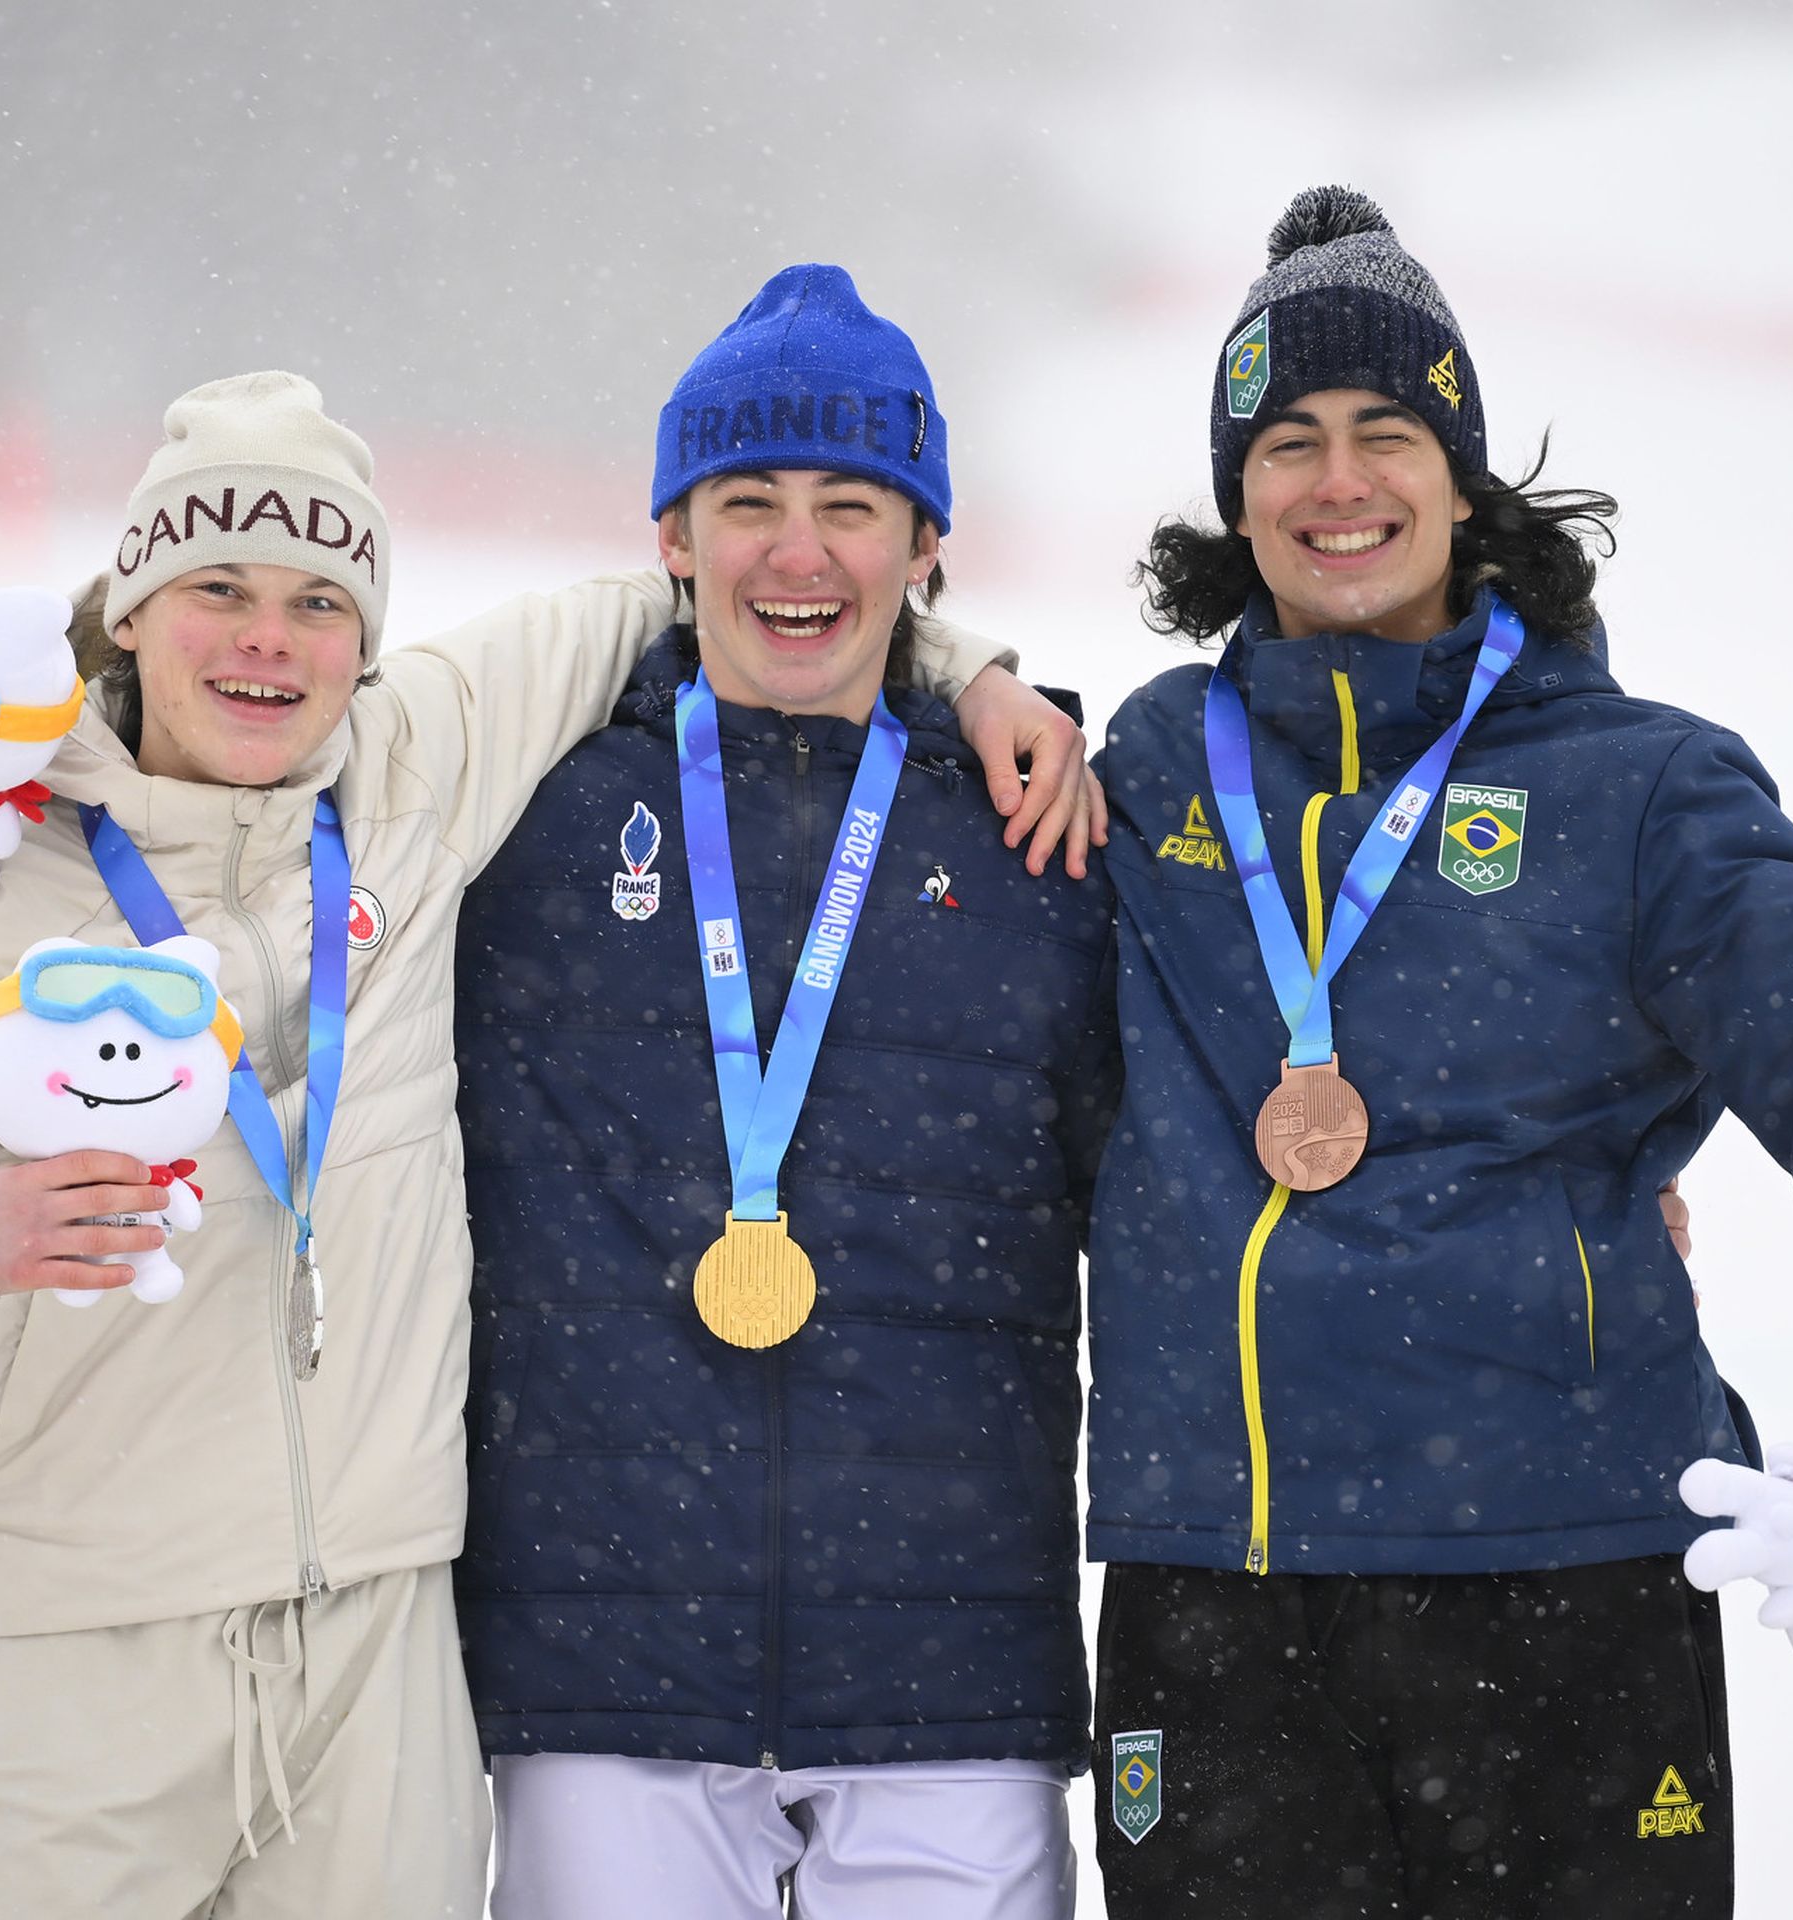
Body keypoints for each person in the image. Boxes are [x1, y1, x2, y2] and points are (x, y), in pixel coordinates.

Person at [0, 368, 1084, 1917]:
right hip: (76, 1668)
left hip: (381, 1676)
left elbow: (748, 591)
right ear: (124, 616)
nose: (269, 641)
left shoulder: (413, 781)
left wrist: (968, 674)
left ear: (368, 643)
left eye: (319, 603)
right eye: (218, 591)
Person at [1081, 189, 1793, 1916]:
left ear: (1463, 473)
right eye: (1288, 441)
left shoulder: (1637, 788)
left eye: (1387, 432)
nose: (1340, 481)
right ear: (1237, 494)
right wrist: (962, 665)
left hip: (1564, 1581)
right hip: (1216, 1590)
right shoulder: (1143, 774)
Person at [449, 265, 1117, 1919]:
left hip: (955, 1666)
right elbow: (241, 821)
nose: (798, 553)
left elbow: (1201, 1142)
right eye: (746, 502)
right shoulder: (523, 802)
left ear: (927, 544)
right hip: (604, 1657)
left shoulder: (1044, 828)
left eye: (852, 506)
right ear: (671, 536)